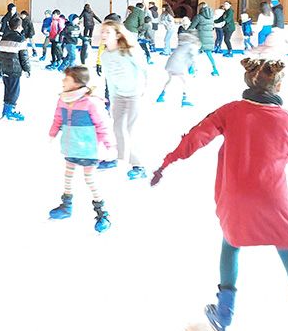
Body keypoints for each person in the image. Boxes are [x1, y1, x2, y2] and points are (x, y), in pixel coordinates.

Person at [152, 58, 288, 331]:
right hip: (273, 198)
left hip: (234, 197)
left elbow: (196, 136)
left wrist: (167, 161)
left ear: (249, 82)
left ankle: (223, 314)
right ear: (277, 85)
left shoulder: (230, 111)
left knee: (231, 243)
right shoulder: (286, 119)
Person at [47, 65, 115, 232]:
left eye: (67, 79)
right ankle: (66, 206)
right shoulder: (63, 99)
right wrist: (52, 133)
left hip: (88, 149)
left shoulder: (90, 102)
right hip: (71, 147)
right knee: (68, 178)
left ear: (77, 83)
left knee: (90, 180)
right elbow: (57, 118)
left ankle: (102, 214)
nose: (63, 81)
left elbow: (103, 124)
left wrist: (109, 145)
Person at [98, 19, 148, 179]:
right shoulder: (105, 55)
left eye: (108, 32)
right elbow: (110, 81)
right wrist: (112, 99)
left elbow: (143, 69)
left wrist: (141, 89)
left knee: (125, 132)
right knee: (118, 130)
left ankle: (132, 163)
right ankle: (125, 160)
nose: (103, 34)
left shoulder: (128, 51)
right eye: (102, 31)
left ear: (117, 34)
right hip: (118, 96)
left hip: (134, 95)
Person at [0, 14, 29, 121]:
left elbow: (0, 55)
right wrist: (27, 69)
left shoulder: (3, 38)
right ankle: (9, 111)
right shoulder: (21, 39)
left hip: (4, 68)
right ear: (19, 27)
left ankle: (5, 110)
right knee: (14, 91)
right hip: (14, 70)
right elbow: (23, 56)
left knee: (8, 89)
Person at [155, 31, 199, 106]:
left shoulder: (182, 44)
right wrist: (194, 68)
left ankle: (161, 95)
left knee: (170, 80)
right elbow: (192, 57)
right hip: (178, 65)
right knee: (186, 81)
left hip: (170, 64)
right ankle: (185, 99)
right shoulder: (191, 45)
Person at [189, 3, 220, 76]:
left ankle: (191, 69)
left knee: (193, 53)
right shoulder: (211, 17)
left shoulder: (198, 17)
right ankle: (215, 69)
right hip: (209, 38)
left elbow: (191, 27)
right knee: (209, 55)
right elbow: (212, 27)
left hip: (199, 38)